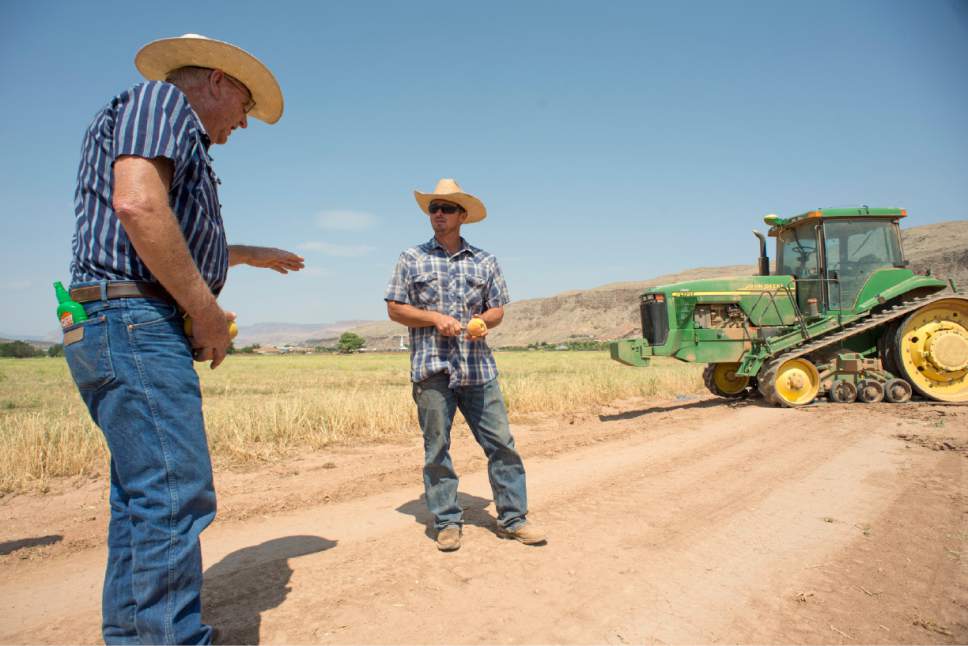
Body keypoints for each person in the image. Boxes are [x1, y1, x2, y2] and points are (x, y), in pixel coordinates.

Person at [63, 34, 303, 644]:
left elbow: (166, 229)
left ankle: (136, 633)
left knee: (143, 499)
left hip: (111, 320)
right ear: (217, 81)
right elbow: (140, 208)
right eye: (245, 107)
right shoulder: (163, 104)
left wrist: (245, 255)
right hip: (137, 322)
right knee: (176, 494)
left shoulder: (158, 121)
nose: (243, 125)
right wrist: (206, 312)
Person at [385, 178, 546, 552]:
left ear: (462, 215)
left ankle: (513, 519)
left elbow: (497, 309)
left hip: (478, 369)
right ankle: (446, 521)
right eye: (433, 209)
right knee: (437, 449)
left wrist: (484, 323)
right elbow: (395, 309)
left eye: (446, 208)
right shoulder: (411, 258)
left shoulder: (485, 260)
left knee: (502, 444)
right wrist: (433, 318)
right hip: (432, 369)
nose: (438, 214)